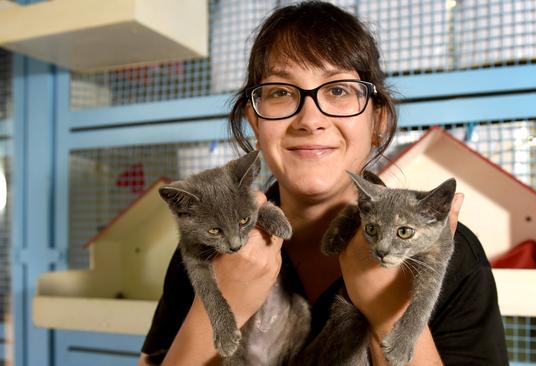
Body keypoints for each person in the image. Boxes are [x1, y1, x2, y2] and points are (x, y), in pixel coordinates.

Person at [138, 1, 508, 365]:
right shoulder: (208, 240)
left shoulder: (455, 255)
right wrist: (221, 303)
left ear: (378, 121)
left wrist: (388, 312)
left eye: (339, 90)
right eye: (282, 92)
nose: (310, 119)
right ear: (254, 120)